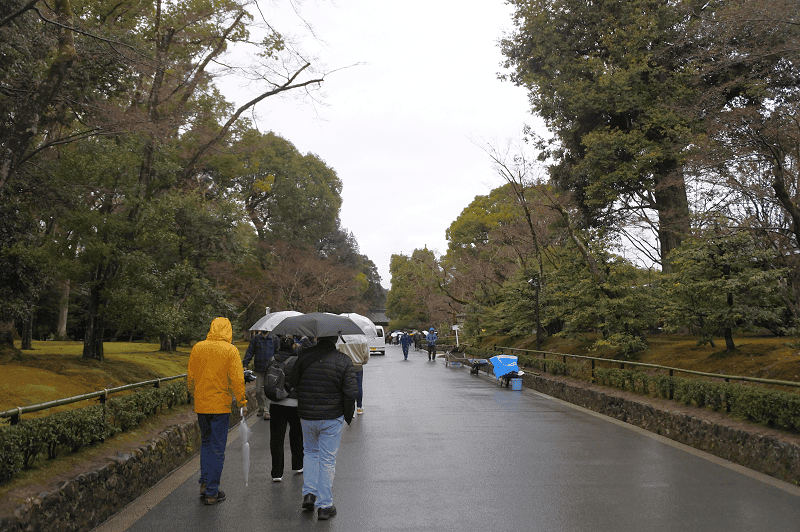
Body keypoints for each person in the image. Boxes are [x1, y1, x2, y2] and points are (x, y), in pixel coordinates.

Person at [289, 336, 358, 521]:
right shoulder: (343, 360)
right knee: (327, 459)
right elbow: (351, 391)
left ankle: (309, 495)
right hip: (331, 417)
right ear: (335, 339)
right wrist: (348, 414)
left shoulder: (304, 356)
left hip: (308, 416)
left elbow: (293, 381)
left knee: (310, 453)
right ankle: (325, 505)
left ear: (319, 338)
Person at [187, 317, 248, 505]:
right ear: (228, 331)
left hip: (202, 405)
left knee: (205, 443)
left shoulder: (198, 347)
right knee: (218, 448)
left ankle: (204, 483)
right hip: (220, 406)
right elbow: (237, 379)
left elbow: (191, 377)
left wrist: (194, 393)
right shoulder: (231, 351)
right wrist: (242, 401)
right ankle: (212, 492)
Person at [268, 337, 304, 482]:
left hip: (276, 403)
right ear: (293, 347)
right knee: (296, 436)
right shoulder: (297, 360)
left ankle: (277, 473)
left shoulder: (272, 359)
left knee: (276, 439)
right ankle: (297, 465)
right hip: (294, 404)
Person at [242, 329, 276, 419]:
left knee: (268, 390)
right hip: (259, 369)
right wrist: (245, 363)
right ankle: (261, 407)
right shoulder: (256, 339)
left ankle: (267, 410)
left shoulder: (274, 339)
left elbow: (278, 352)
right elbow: (250, 351)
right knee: (258, 391)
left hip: (271, 370)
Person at [336, 335, 369, 415]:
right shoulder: (362, 339)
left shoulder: (341, 339)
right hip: (358, 366)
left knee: (346, 387)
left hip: (345, 366)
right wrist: (363, 361)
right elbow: (366, 354)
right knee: (358, 386)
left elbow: (337, 352)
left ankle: (350, 410)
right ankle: (359, 408)